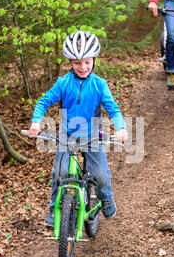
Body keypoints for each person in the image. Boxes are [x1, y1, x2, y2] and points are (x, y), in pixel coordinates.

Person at [28, 30, 128, 227]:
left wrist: (121, 128)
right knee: (60, 173)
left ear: (94, 60)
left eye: (87, 62)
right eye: (77, 63)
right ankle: (53, 209)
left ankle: (105, 198)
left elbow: (112, 108)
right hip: (67, 136)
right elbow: (44, 101)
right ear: (70, 63)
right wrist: (36, 121)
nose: (82, 67)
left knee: (100, 174)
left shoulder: (99, 84)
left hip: (92, 136)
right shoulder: (63, 83)